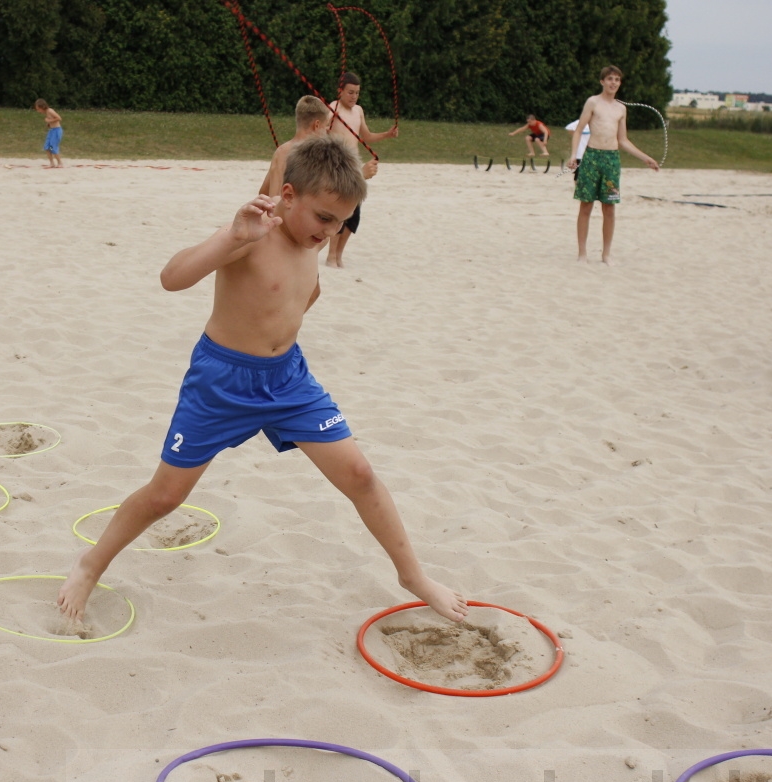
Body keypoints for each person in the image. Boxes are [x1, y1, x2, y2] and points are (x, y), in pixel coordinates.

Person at [56, 135, 469, 626]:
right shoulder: (250, 235)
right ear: (288, 196)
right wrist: (231, 237)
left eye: (341, 223)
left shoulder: (309, 238)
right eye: (324, 218)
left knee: (359, 474)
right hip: (222, 381)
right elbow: (172, 278)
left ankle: (413, 576)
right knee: (166, 496)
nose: (330, 232)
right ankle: (90, 565)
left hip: (289, 380)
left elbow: (303, 294)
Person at [567, 66, 660, 265]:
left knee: (609, 208)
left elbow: (623, 140)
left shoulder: (621, 109)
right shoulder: (593, 102)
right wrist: (574, 155)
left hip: (611, 160)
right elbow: (578, 130)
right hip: (592, 157)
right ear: (602, 81)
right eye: (610, 79)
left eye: (617, 79)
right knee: (586, 205)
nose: (613, 83)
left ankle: (606, 254)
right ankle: (582, 253)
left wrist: (645, 158)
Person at [325, 71, 397, 268]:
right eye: (350, 92)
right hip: (337, 167)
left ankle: (339, 254)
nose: (354, 96)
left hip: (355, 165)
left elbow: (365, 136)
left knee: (354, 214)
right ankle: (331, 255)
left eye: (357, 93)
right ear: (340, 91)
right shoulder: (332, 110)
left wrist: (387, 135)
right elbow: (319, 136)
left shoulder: (358, 111)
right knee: (340, 211)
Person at [261, 95, 378, 199]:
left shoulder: (281, 152)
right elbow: (330, 196)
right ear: (316, 125)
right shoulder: (314, 155)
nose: (328, 130)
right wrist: (361, 175)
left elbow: (263, 194)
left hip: (275, 217)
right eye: (326, 125)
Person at [34, 99, 63, 168]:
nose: (38, 111)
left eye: (38, 109)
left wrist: (50, 120)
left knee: (52, 147)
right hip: (51, 130)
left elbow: (59, 118)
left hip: (56, 131)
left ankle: (60, 163)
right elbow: (53, 121)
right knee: (47, 147)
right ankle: (52, 163)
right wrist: (49, 123)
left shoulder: (50, 111)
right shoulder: (46, 112)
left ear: (42, 107)